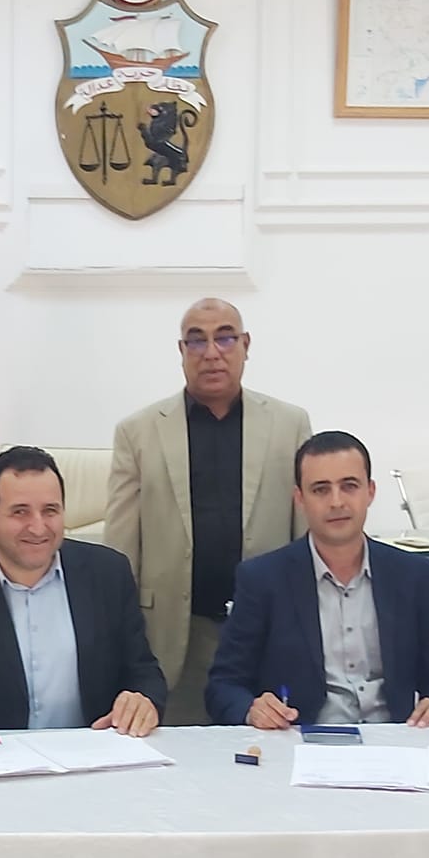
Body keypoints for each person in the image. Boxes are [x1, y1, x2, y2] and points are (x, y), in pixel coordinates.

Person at [106, 298, 311, 723]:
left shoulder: (289, 425)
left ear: (246, 345)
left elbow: (304, 539)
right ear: (181, 351)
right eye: (197, 341)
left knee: (266, 748)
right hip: (174, 636)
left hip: (264, 631)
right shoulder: (138, 432)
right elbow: (120, 551)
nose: (212, 353)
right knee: (178, 755)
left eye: (225, 338)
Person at [0, 446, 167, 751]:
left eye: (50, 511)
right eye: (20, 512)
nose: (38, 528)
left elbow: (144, 671)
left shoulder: (108, 573)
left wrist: (144, 700)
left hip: (92, 754)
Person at [208, 431, 429, 729]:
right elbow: (223, 686)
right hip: (299, 739)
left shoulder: (411, 575)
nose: (336, 502)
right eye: (320, 490)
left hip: (391, 740)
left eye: (349, 486)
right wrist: (252, 710)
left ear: (370, 492)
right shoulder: (262, 578)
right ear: (300, 499)